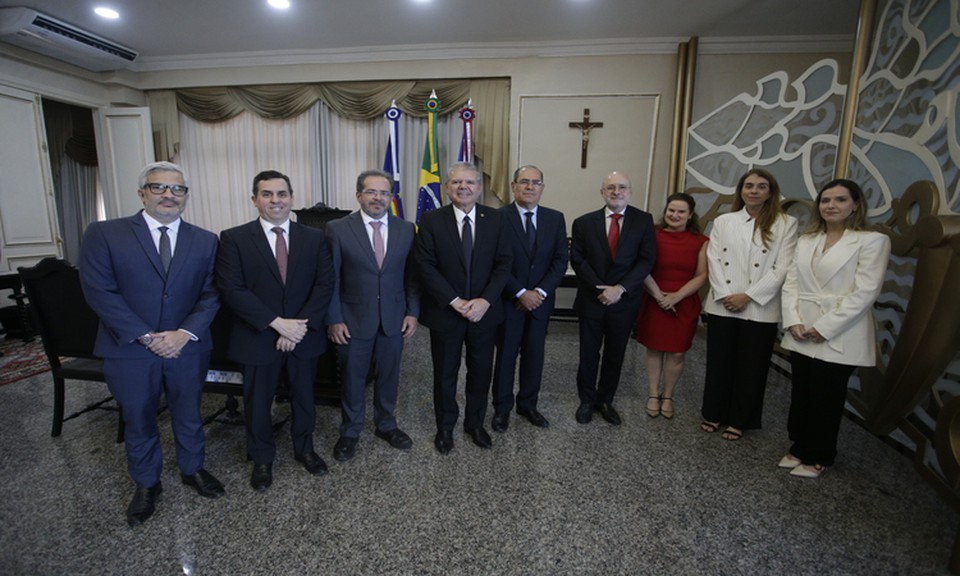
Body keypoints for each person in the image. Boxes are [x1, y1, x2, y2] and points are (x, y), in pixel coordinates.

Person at [79, 161, 224, 527]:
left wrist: (182, 334)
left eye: (177, 189)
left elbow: (211, 294)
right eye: (159, 187)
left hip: (186, 346)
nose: (168, 195)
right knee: (139, 418)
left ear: (186, 197)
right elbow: (100, 292)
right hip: (128, 349)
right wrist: (146, 337)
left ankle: (193, 470)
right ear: (142, 192)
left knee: (189, 412)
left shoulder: (206, 239)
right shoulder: (104, 233)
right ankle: (146, 484)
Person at [217, 170, 334, 491]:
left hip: (303, 336)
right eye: (267, 194)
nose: (275, 201)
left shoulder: (314, 237)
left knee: (304, 397)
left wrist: (296, 328)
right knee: (257, 402)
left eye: (282, 194)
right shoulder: (233, 238)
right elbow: (232, 289)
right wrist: (277, 323)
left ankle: (305, 449)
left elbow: (324, 286)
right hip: (256, 337)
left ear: (292, 199)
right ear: (255, 200)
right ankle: (262, 458)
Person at [779, 179, 890, 478]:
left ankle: (820, 455)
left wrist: (824, 327)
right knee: (801, 391)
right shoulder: (807, 240)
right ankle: (799, 446)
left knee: (826, 397)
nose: (831, 205)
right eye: (826, 200)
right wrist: (793, 320)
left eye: (840, 200)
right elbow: (791, 283)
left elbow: (866, 292)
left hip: (840, 332)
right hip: (801, 329)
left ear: (855, 204)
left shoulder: (871, 241)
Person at [415, 162, 512, 454]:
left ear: (479, 188)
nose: (463, 187)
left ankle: (475, 424)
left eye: (470, 182)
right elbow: (426, 266)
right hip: (446, 313)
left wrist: (485, 301)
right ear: (447, 188)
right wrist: (455, 301)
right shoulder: (431, 220)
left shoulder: (496, 219)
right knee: (445, 372)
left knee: (480, 371)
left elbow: (504, 263)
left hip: (485, 313)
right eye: (457, 182)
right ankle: (445, 427)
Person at [325, 169, 419, 462]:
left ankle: (386, 424)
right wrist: (334, 318)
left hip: (393, 318)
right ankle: (350, 430)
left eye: (384, 193)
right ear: (359, 195)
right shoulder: (337, 228)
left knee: (389, 375)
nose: (378, 198)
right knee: (353, 378)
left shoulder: (406, 229)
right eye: (371, 192)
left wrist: (412, 313)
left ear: (391, 197)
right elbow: (331, 278)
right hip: (352, 319)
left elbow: (411, 277)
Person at [700, 168, 798, 440]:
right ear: (741, 190)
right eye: (749, 185)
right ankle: (713, 413)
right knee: (719, 363)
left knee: (752, 367)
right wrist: (726, 293)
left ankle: (740, 419)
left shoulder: (785, 223)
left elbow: (782, 267)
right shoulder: (724, 221)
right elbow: (714, 259)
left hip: (760, 306)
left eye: (761, 186)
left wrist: (749, 296)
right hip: (723, 303)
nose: (754, 190)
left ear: (771, 191)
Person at [571, 171, 657, 425]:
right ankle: (586, 400)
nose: (616, 192)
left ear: (630, 192)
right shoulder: (584, 222)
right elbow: (577, 259)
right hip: (592, 299)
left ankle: (605, 400)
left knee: (615, 353)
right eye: (610, 187)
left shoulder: (643, 221)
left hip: (624, 301)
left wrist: (620, 288)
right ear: (602, 192)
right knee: (588, 352)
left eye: (622, 187)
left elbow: (646, 260)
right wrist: (601, 289)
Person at [491, 166, 569, 431]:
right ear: (513, 186)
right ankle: (501, 408)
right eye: (524, 182)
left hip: (541, 303)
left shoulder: (555, 218)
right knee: (505, 356)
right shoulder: (498, 218)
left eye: (536, 182)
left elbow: (560, 261)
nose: (530, 187)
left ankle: (528, 405)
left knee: (535, 355)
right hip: (509, 301)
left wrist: (540, 293)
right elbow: (496, 261)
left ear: (542, 188)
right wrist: (521, 292)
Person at [635, 192, 708, 419]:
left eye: (681, 212)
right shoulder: (652, 235)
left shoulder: (701, 241)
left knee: (677, 353)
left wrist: (676, 297)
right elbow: (642, 266)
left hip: (684, 300)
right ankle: (652, 394)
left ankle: (668, 395)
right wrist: (659, 296)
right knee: (654, 348)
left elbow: (702, 274)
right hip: (654, 296)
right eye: (671, 210)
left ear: (690, 215)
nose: (674, 215)